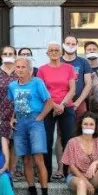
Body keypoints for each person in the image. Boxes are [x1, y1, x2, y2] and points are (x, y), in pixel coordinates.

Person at [9, 56, 53, 195]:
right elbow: (15, 104)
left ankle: (45, 194)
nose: (20, 70)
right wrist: (12, 118)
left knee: (38, 159)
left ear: (29, 69)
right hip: (20, 122)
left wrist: (40, 117)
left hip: (35, 121)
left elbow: (50, 101)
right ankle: (32, 192)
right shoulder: (13, 86)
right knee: (26, 159)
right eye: (18, 67)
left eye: (23, 67)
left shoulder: (37, 83)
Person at [36, 42, 77, 180]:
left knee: (68, 140)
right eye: (51, 50)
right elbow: (42, 91)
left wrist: (62, 105)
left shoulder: (69, 68)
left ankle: (67, 173)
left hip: (66, 106)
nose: (54, 52)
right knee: (47, 140)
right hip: (48, 107)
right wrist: (54, 105)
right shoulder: (42, 70)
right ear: (47, 53)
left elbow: (72, 89)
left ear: (61, 52)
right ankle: (46, 174)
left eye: (56, 50)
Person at [0, 46, 19, 145]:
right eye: (5, 54)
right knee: (2, 142)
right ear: (1, 56)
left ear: (15, 56)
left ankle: (13, 161)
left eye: (10, 54)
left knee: (16, 142)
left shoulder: (20, 71)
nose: (8, 56)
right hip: (0, 112)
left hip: (18, 111)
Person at [61, 36, 94, 119]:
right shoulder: (58, 61)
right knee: (63, 130)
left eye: (73, 44)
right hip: (61, 101)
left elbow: (88, 84)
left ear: (76, 46)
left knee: (80, 127)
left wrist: (78, 102)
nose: (70, 46)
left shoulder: (83, 62)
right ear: (63, 45)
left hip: (79, 101)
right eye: (68, 43)